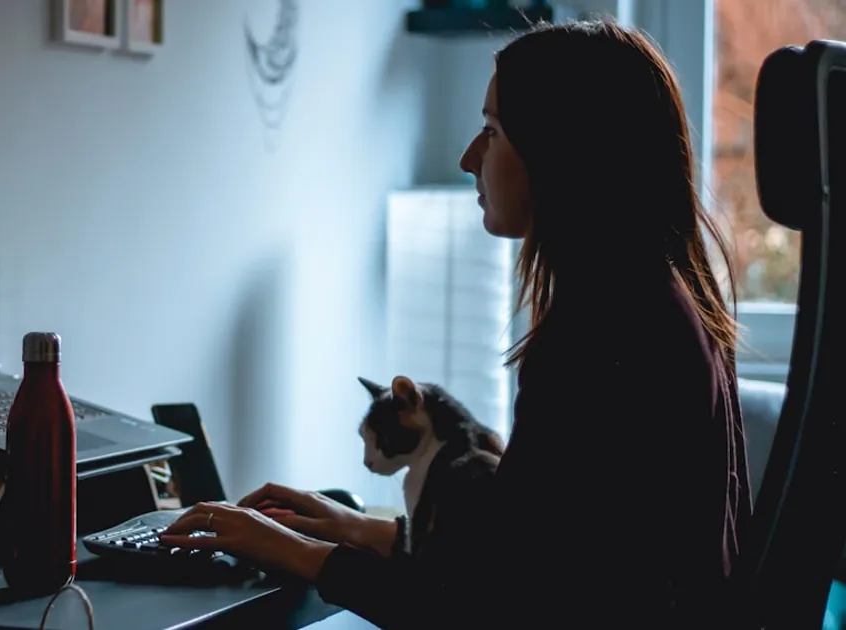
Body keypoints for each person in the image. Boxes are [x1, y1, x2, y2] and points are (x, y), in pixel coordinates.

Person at [160, 19, 750, 629]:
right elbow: (534, 557)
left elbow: (475, 606)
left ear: (562, 151)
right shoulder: (659, 302)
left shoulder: (597, 337)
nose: (470, 157)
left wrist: (297, 552)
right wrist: (355, 527)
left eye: (493, 132)